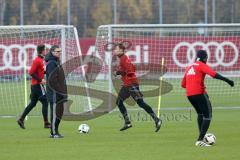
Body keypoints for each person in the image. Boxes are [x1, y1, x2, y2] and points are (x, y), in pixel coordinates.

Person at [181, 50, 234, 147]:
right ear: (205, 58)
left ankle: (202, 136)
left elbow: (183, 84)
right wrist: (228, 80)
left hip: (189, 94)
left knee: (200, 113)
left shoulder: (190, 67)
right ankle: (200, 140)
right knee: (208, 115)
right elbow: (213, 74)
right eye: (206, 58)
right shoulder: (201, 64)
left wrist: (193, 85)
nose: (207, 59)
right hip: (198, 93)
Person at [113, 43, 162, 132]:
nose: (114, 50)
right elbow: (132, 68)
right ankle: (127, 122)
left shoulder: (124, 58)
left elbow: (130, 70)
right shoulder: (122, 59)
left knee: (141, 103)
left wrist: (119, 73)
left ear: (121, 50)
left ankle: (157, 119)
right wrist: (120, 73)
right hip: (127, 85)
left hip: (131, 85)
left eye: (116, 49)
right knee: (119, 102)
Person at [17, 44, 50, 129]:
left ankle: (21, 119)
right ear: (42, 51)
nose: (46, 51)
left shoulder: (41, 60)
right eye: (45, 50)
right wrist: (40, 80)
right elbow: (31, 72)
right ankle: (46, 123)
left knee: (33, 103)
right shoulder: (37, 60)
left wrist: (48, 72)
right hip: (38, 85)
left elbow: (41, 71)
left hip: (35, 86)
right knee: (45, 102)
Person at [45, 45, 67, 138]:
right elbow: (52, 80)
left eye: (60, 51)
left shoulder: (57, 62)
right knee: (55, 113)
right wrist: (59, 91)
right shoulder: (51, 63)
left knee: (60, 112)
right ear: (52, 52)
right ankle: (53, 133)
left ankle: (56, 131)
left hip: (60, 92)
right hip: (54, 93)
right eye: (57, 51)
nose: (59, 53)